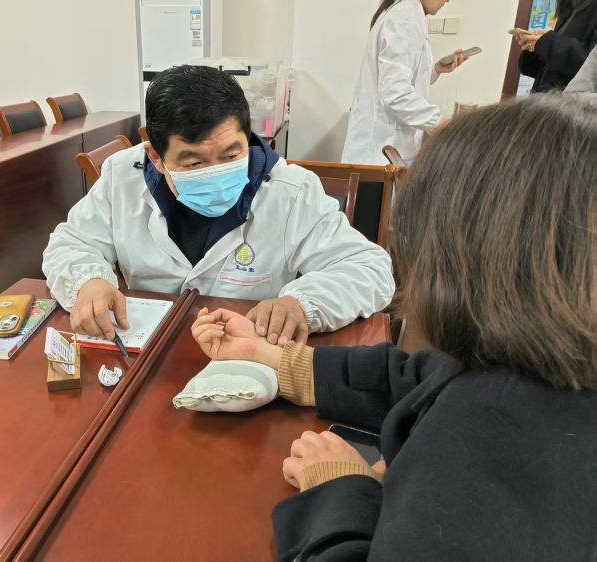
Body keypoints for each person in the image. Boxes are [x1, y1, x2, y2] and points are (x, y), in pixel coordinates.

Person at [192, 94, 597, 560]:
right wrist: (280, 361)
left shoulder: (494, 435)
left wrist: (341, 488)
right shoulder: (536, 365)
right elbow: (420, 379)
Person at [43, 65, 394, 346]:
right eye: (194, 163)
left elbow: (370, 269)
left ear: (249, 139)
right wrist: (89, 281)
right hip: (150, 353)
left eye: (230, 156)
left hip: (248, 355)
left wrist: (301, 304)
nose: (215, 174)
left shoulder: (291, 191)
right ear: (156, 156)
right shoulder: (123, 176)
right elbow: (71, 243)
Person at [342, 0, 466, 166]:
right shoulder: (405, 17)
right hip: (379, 155)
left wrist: (435, 70)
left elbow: (398, 79)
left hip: (381, 152)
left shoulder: (404, 12)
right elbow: (395, 93)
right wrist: (442, 124)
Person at [518, 0, 597, 93]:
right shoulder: (568, 8)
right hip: (545, 97)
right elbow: (549, 73)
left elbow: (591, 65)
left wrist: (548, 44)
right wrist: (534, 47)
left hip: (571, 99)